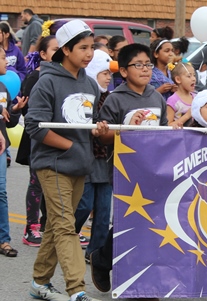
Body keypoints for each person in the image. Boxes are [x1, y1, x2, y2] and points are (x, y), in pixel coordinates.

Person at [25, 19, 108, 301]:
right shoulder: (47, 81)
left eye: (91, 48)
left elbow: (94, 124)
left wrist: (101, 131)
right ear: (66, 49)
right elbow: (34, 126)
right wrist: (70, 145)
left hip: (80, 166)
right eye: (83, 48)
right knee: (64, 226)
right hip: (52, 165)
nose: (89, 53)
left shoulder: (91, 84)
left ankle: (39, 282)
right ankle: (77, 289)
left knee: (57, 227)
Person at [90, 43, 168, 293]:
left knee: (151, 222)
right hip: (125, 171)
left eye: (148, 64)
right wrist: (126, 127)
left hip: (154, 169)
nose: (145, 69)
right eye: (138, 65)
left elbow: (165, 131)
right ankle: (104, 260)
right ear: (123, 71)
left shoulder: (156, 97)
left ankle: (144, 280)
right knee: (131, 222)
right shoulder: (116, 99)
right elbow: (103, 138)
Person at [75, 49, 118, 262]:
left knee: (103, 212)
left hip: (106, 159)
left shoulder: (112, 98)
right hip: (86, 158)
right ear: (93, 73)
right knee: (84, 204)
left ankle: (96, 253)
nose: (109, 78)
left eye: (110, 74)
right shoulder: (86, 97)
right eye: (104, 73)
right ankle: (65, 236)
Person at [19, 32, 59, 247]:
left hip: (59, 136)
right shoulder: (36, 77)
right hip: (38, 138)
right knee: (37, 183)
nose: (60, 53)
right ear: (43, 54)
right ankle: (31, 227)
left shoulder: (66, 77)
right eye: (54, 49)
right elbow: (27, 110)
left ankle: (52, 225)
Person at [0, 45, 27, 258]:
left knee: (1, 192)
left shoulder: (2, 87)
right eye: (2, 58)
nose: (6, 62)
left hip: (1, 148)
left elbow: (7, 123)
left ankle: (4, 239)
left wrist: (14, 111)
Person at [166, 62, 196, 127]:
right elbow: (168, 125)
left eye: (194, 75)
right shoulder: (172, 100)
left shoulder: (196, 98)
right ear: (178, 79)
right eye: (189, 76)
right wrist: (187, 115)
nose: (193, 79)